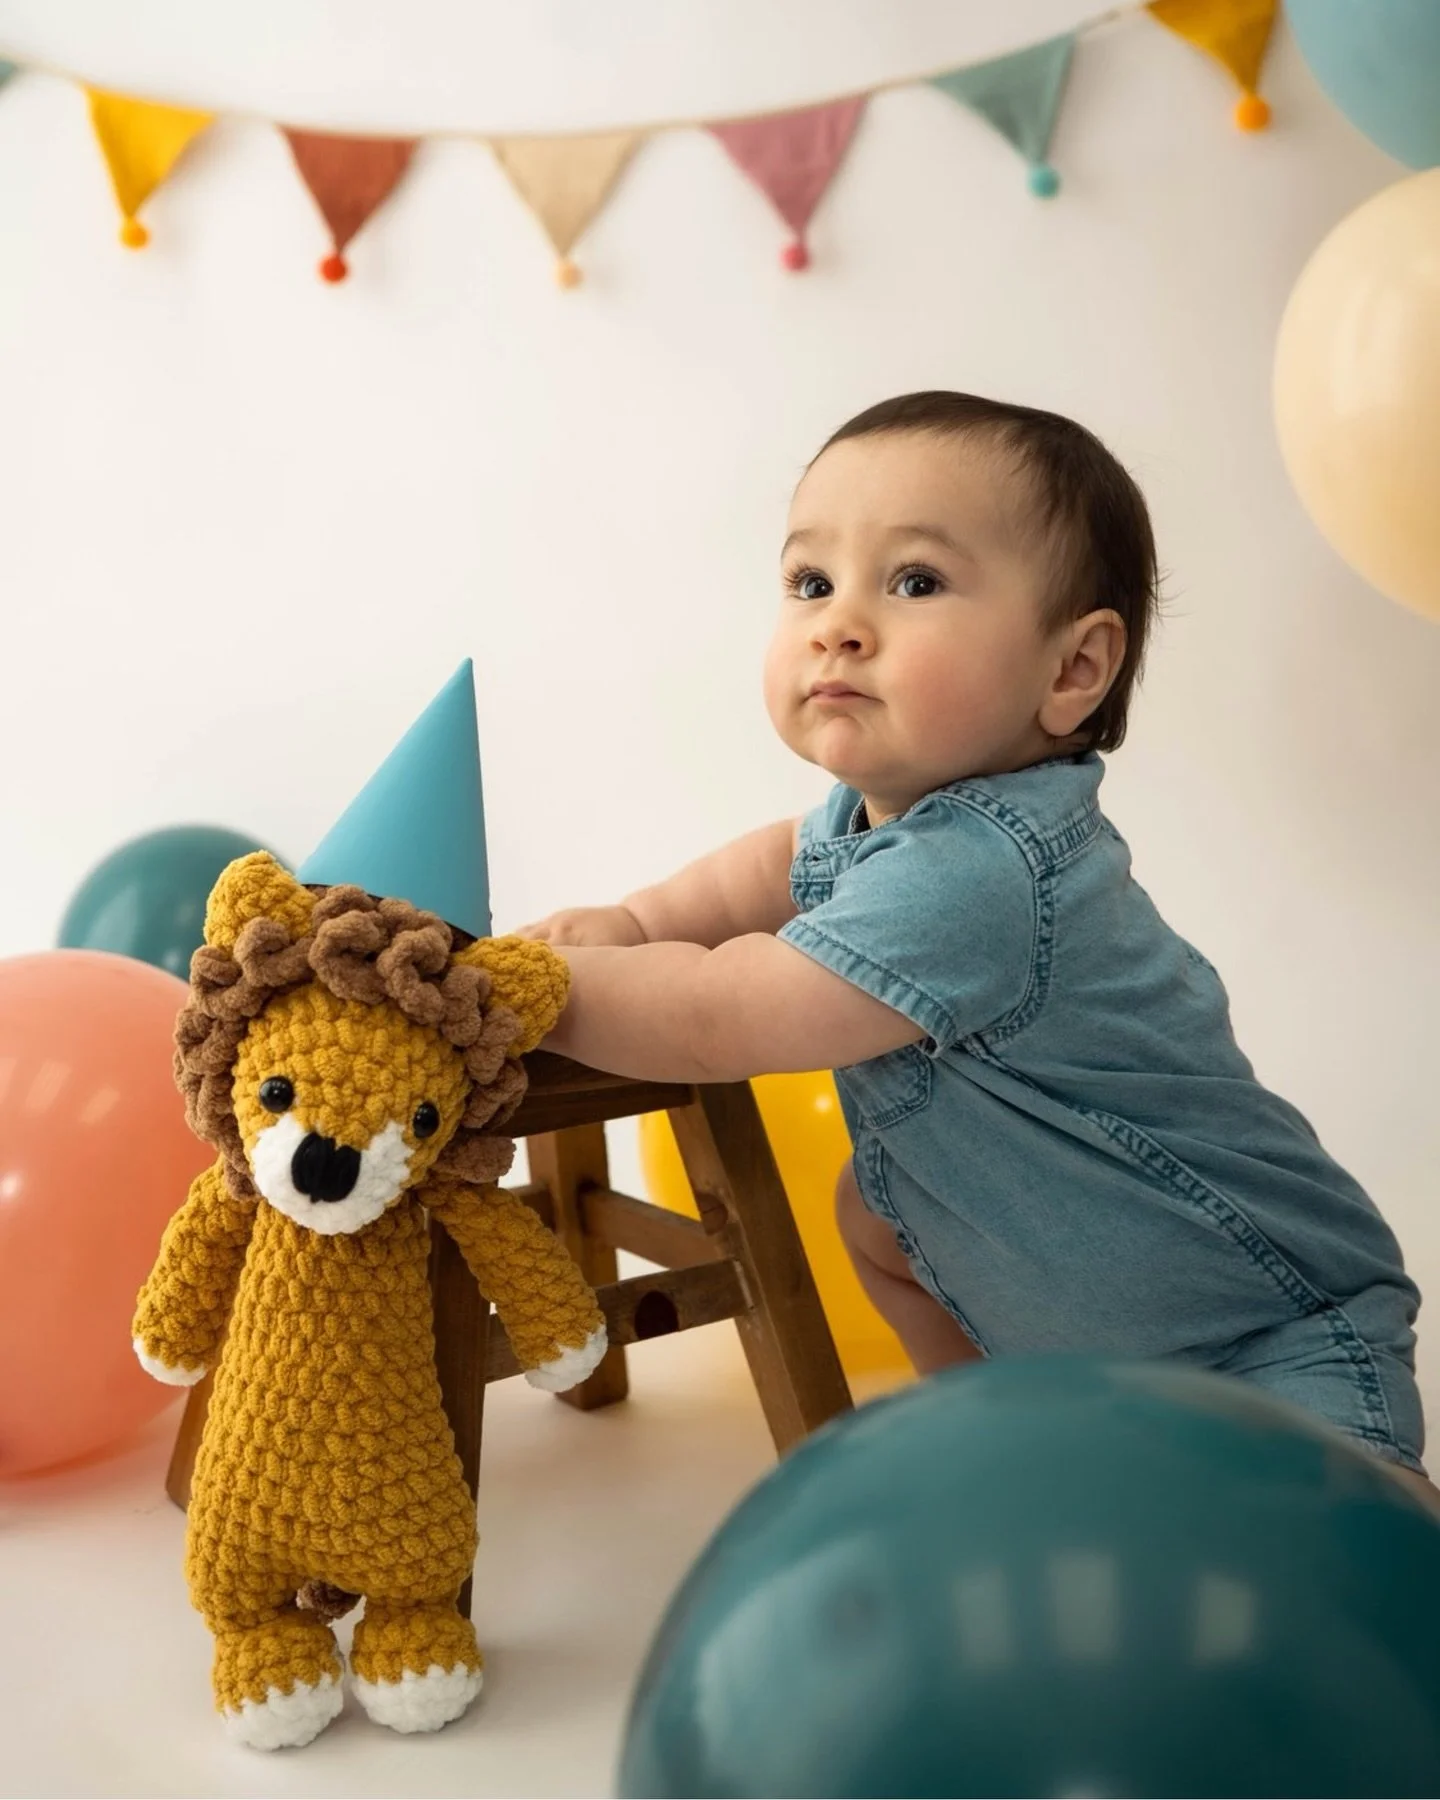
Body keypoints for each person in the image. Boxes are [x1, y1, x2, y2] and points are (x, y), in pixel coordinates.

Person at [517, 389, 1431, 1495]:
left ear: (1072, 670)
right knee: (877, 1211)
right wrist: (641, 923)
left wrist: (546, 990)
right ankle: (1003, 1443)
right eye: (811, 582)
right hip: (1088, 1338)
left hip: (1261, 1340)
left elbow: (724, 1016)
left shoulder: (983, 870)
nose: (839, 624)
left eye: (915, 582)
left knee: (1355, 1545)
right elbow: (765, 869)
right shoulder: (880, 823)